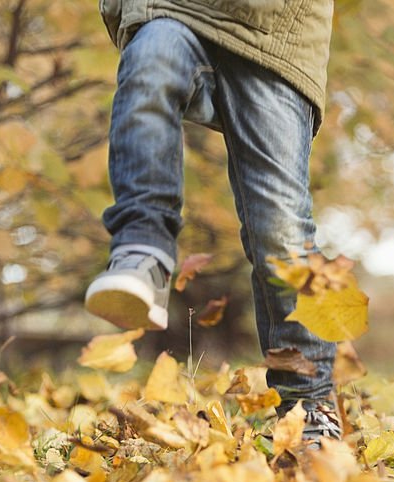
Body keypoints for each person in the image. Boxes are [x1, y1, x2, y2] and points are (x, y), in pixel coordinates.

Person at [85, 0, 340, 441]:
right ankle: (142, 250)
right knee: (150, 64)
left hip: (276, 35)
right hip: (173, 8)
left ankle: (309, 405)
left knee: (280, 231)